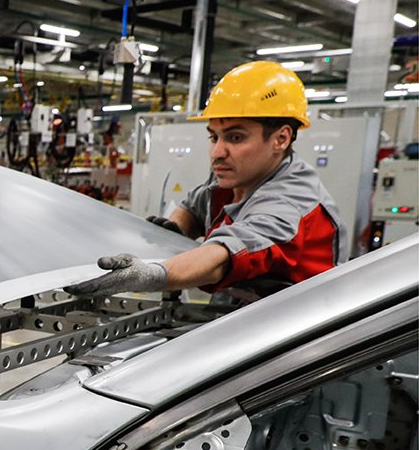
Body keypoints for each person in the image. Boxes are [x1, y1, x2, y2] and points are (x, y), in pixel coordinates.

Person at [68, 61, 342, 302]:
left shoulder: (292, 202)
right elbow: (196, 205)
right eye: (214, 137)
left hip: (292, 338)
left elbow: (224, 256)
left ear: (281, 139)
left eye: (235, 138)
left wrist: (154, 274)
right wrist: (176, 227)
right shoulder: (238, 176)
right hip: (240, 317)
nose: (217, 152)